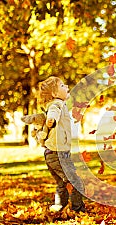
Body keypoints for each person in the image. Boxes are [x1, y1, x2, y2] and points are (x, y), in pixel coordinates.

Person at [37, 76, 86, 213]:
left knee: (61, 184)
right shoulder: (56, 104)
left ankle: (59, 208)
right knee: (76, 181)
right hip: (58, 154)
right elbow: (53, 112)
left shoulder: (59, 103)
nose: (67, 87)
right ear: (54, 94)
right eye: (63, 86)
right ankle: (78, 209)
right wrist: (51, 119)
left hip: (52, 153)